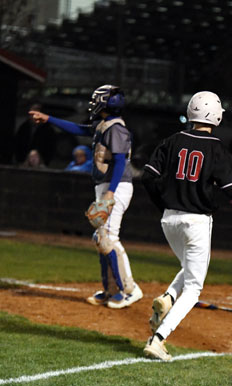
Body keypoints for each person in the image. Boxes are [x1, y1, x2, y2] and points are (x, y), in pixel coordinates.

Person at [141, 91, 232, 361]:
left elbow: (148, 176)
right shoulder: (217, 148)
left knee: (188, 268)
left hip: (169, 220)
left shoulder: (171, 140)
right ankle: (158, 339)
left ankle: (167, 297)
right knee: (194, 288)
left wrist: (163, 203)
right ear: (216, 115)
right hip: (197, 221)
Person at [29, 85, 143, 309]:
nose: (94, 103)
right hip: (106, 186)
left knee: (108, 238)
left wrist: (110, 192)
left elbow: (120, 162)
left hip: (116, 186)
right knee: (101, 238)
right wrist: (49, 118)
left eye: (97, 100)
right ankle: (110, 290)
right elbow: (79, 129)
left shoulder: (117, 128)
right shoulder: (105, 124)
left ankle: (129, 290)